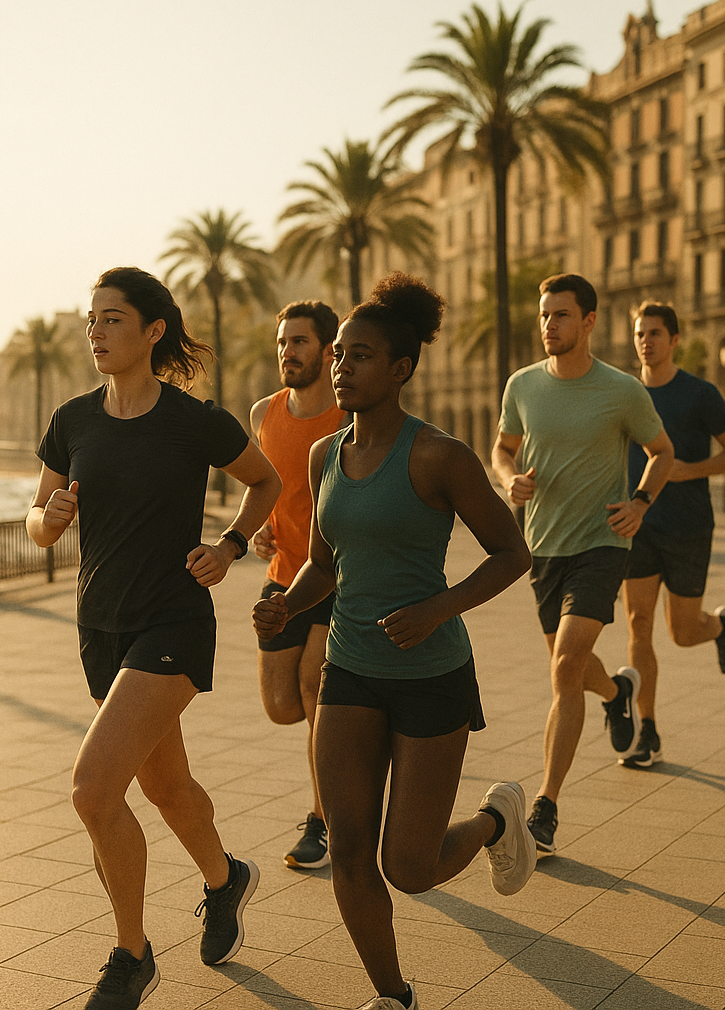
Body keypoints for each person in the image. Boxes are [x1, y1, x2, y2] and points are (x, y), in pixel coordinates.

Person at [252, 272, 535, 1010]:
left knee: (408, 865)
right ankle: (393, 995)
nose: (341, 366)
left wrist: (440, 608)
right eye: (339, 353)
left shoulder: (439, 455)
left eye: (361, 355)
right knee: (348, 848)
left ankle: (497, 818)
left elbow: (512, 553)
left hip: (430, 674)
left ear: (402, 368)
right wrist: (286, 605)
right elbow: (324, 562)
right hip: (349, 668)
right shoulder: (324, 457)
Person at [26, 267, 282, 1010]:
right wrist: (55, 516)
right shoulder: (73, 420)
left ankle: (131, 956)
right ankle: (226, 879)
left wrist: (231, 547)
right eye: (92, 319)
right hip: (100, 628)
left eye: (112, 319)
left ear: (152, 331)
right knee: (167, 788)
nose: (96, 332)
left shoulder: (193, 420)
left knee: (92, 788)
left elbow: (264, 483)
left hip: (172, 622)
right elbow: (37, 520)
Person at [491, 273, 674, 855]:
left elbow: (661, 453)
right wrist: (507, 480)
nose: (550, 325)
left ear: (589, 321)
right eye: (545, 316)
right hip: (543, 546)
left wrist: (641, 502)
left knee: (566, 665)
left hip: (602, 543)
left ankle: (544, 806)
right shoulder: (522, 385)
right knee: (570, 669)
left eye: (561, 315)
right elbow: (502, 448)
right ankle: (618, 692)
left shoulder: (621, 390)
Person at [620, 301, 725, 768]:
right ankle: (646, 730)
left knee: (682, 632)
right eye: (640, 333)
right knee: (639, 625)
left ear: (674, 340)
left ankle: (719, 627)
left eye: (655, 333)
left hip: (689, 525)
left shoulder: (700, 393)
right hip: (637, 525)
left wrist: (688, 469)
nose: (646, 341)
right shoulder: (624, 393)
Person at [249, 300, 347, 870]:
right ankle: (353, 754)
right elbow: (265, 488)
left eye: (300, 342)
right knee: (283, 706)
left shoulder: (348, 421)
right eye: (283, 342)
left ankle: (323, 819)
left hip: (336, 580)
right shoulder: (264, 411)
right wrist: (259, 528)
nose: (288, 352)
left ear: (328, 350)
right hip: (282, 579)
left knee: (314, 686)